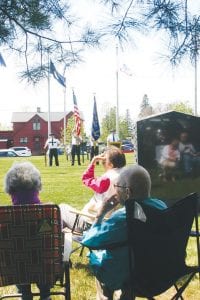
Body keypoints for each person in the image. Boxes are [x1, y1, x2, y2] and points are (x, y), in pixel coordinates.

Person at [81, 164, 167, 300]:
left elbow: (90, 241)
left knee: (97, 256)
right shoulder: (161, 207)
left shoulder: (122, 218)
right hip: (162, 274)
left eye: (117, 187)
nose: (115, 191)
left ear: (128, 192)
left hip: (130, 277)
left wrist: (100, 214)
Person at [4, 161, 51, 300]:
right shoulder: (48, 213)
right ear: (37, 187)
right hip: (44, 268)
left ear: (10, 190)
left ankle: (24, 294)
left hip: (17, 269)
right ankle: (45, 295)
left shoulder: (5, 217)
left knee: (19, 259)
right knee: (42, 257)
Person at [59, 146, 126, 233]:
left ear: (111, 164)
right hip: (115, 223)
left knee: (62, 208)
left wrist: (93, 162)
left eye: (104, 161)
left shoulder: (107, 179)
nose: (103, 163)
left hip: (93, 223)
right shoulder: (128, 174)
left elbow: (86, 179)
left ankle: (57, 242)